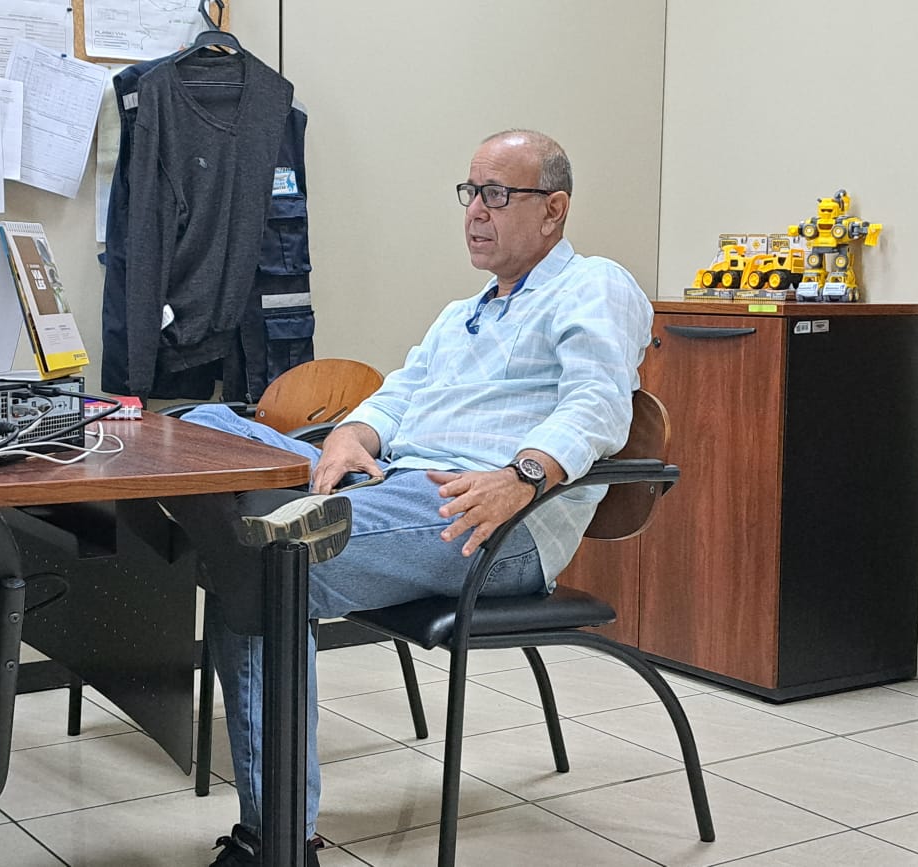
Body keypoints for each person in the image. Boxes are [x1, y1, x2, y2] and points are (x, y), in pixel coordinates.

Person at [184, 128, 654, 866]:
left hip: (487, 515)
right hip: (395, 484)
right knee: (199, 425)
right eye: (471, 193)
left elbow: (597, 404)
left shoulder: (595, 284)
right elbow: (398, 395)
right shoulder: (462, 312)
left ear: (554, 209)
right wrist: (354, 435)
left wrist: (523, 476)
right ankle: (233, 525)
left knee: (267, 565)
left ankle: (278, 843)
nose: (475, 211)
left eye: (497, 194)